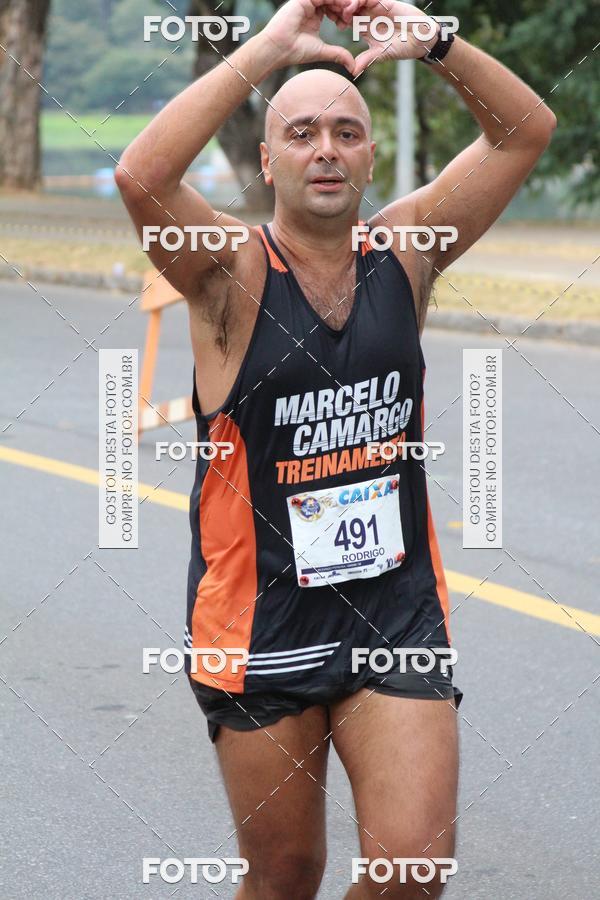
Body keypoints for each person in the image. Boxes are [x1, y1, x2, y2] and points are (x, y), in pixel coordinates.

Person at [116, 1, 556, 896]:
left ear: (367, 155)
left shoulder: (407, 251)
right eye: (303, 132)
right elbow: (144, 174)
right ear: (269, 159)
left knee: (411, 872)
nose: (326, 148)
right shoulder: (225, 275)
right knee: (286, 876)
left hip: (393, 612)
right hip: (260, 620)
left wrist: (434, 42)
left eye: (347, 132)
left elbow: (522, 133)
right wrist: (268, 49)